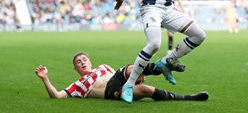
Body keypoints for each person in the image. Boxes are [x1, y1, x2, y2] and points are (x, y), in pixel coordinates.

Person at [35, 52, 209, 102]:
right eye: (78, 62)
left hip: (117, 80)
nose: (82, 62)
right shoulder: (77, 84)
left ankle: (160, 67)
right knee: (146, 90)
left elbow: (127, 75)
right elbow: (57, 95)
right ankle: (188, 97)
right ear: (75, 68)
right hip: (111, 92)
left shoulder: (103, 67)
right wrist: (44, 78)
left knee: (131, 69)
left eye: (84, 59)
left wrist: (137, 77)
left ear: (90, 61)